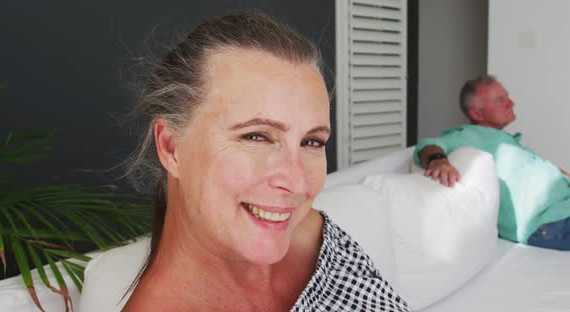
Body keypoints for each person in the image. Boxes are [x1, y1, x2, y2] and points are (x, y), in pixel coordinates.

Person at [118, 12, 410, 311]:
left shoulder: (319, 239)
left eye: (312, 142)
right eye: (256, 137)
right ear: (171, 147)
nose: (297, 184)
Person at [414, 75, 570, 250]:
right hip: (549, 221)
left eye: (507, 97)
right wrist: (438, 161)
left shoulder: (504, 140)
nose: (511, 103)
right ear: (477, 113)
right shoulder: (466, 136)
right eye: (500, 100)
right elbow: (428, 144)